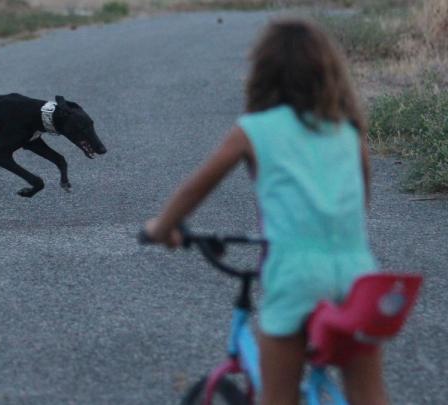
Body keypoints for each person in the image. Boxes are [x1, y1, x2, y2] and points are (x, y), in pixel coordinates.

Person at [144, 19, 386, 405]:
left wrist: (163, 227)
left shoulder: (253, 130)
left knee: (279, 396)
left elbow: (196, 187)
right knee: (369, 396)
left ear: (262, 75)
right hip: (357, 273)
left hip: (295, 275)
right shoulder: (348, 130)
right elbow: (362, 201)